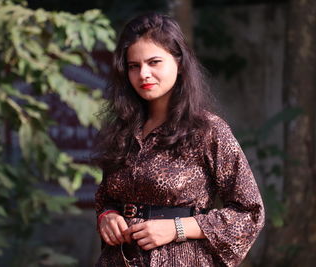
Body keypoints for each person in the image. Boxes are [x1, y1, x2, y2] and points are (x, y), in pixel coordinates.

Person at [93, 13, 265, 267]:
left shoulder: (207, 131)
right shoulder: (124, 130)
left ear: (180, 64)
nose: (144, 74)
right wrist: (107, 216)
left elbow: (249, 212)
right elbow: (106, 197)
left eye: (154, 62)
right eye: (134, 66)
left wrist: (177, 228)